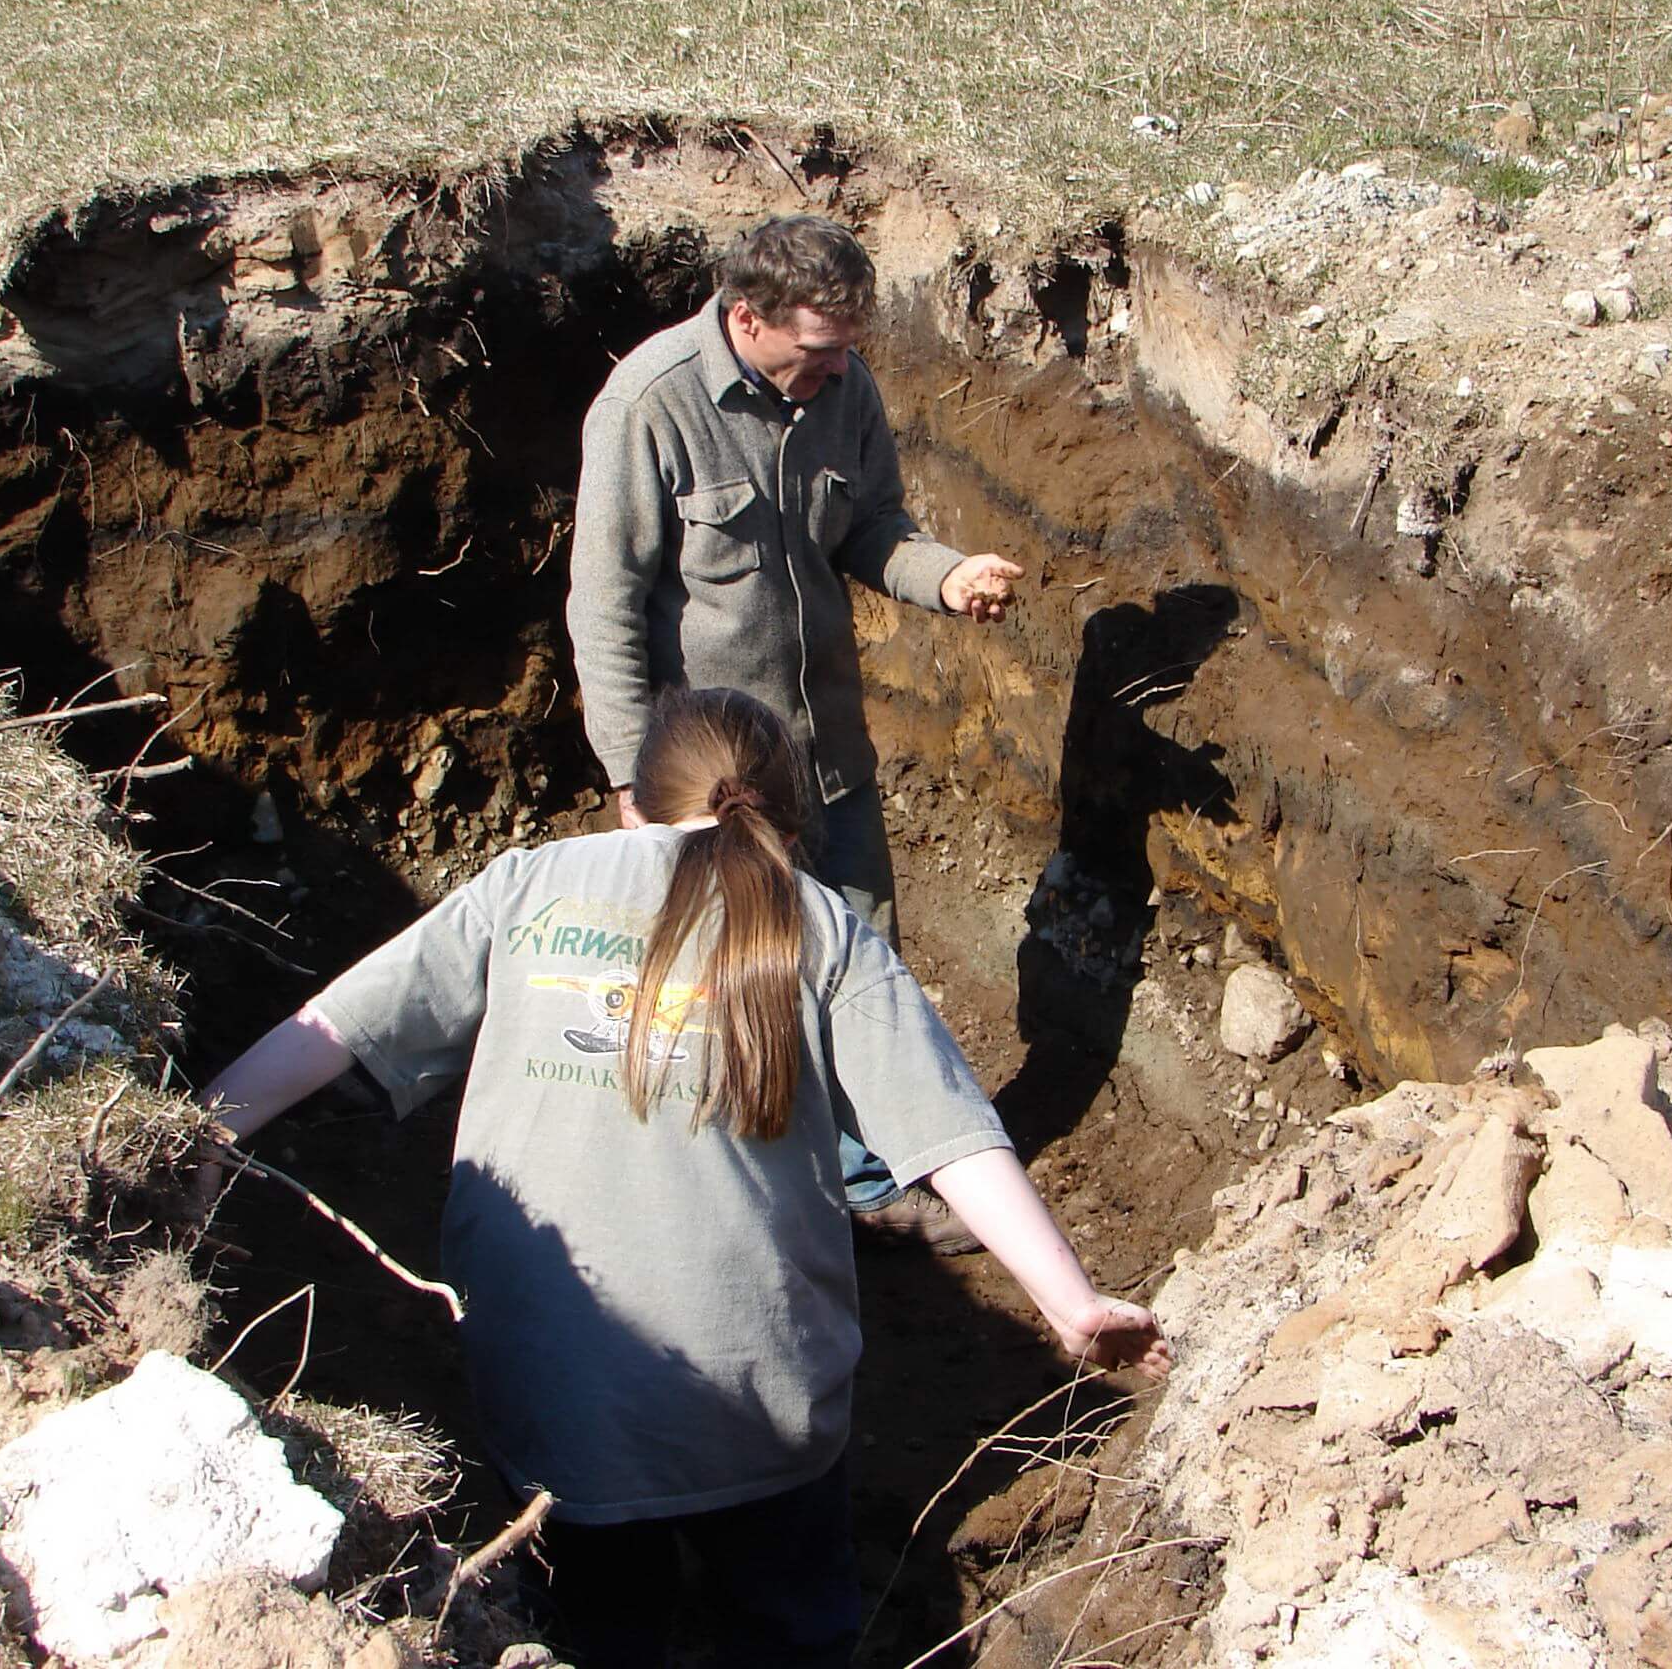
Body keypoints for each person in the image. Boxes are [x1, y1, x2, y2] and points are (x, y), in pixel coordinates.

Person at [200, 688, 1168, 1669]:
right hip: (765, 1410)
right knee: (791, 1629)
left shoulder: (528, 886)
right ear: (787, 819)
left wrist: (198, 1129)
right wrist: (1070, 1301)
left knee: (598, 1631)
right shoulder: (819, 924)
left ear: (632, 806)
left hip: (557, 1410)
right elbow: (952, 1137)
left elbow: (334, 1028)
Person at [565, 214, 1024, 1250]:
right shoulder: (651, 406)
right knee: (725, 977)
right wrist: (634, 779)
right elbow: (605, 606)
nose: (839, 371)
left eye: (850, 349)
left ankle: (865, 1180)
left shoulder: (842, 387)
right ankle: (719, 1177)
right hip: (714, 777)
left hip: (828, 752)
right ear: (747, 320)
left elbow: (874, 529)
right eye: (819, 352)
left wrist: (945, 575)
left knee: (860, 961)